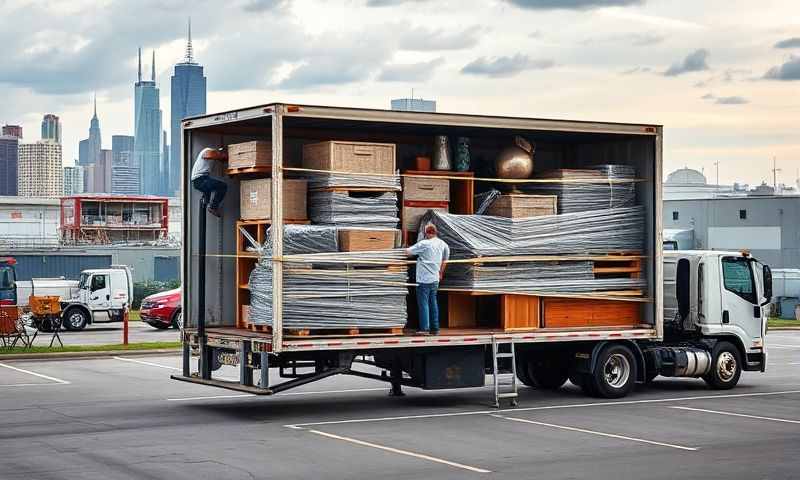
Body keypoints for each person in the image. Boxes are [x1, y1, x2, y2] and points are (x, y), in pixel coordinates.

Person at [406, 223, 450, 335]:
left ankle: (424, 328)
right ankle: (435, 329)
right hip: (435, 278)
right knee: (433, 303)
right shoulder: (443, 244)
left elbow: (408, 252)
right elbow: (445, 260)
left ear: (426, 233)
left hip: (424, 279)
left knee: (423, 304)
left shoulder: (424, 243)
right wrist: (440, 273)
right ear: (435, 232)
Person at [191, 147, 228, 217]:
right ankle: (213, 207)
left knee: (207, 197)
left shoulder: (213, 155)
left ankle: (206, 202)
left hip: (201, 179)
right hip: (200, 179)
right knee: (222, 186)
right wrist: (221, 156)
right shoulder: (208, 150)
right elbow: (208, 155)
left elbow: (219, 158)